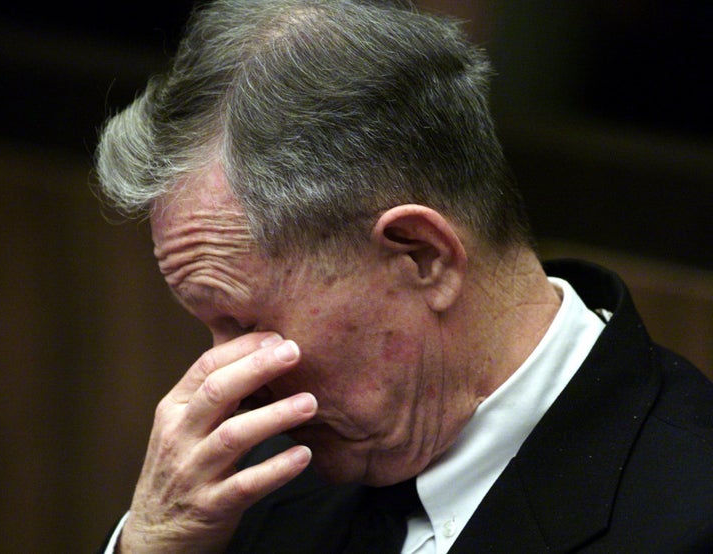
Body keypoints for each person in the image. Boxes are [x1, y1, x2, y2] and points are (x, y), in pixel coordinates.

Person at [94, 0, 713, 552]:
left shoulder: (689, 508)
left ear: (422, 255)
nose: (225, 383)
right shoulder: (242, 487)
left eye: (246, 323)